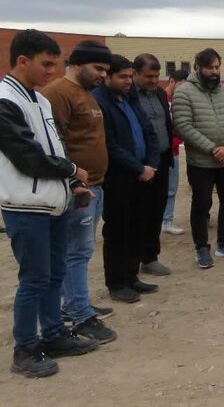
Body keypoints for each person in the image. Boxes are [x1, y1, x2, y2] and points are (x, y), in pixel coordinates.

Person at [1, 30, 100, 377]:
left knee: (55, 273)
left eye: (55, 64)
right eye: (46, 64)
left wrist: (73, 183)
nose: (52, 71)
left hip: (55, 203)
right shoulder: (4, 100)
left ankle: (54, 333)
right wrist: (73, 169)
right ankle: (25, 349)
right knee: (34, 278)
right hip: (25, 206)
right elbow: (27, 156)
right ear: (22, 61)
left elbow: (55, 148)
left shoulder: (40, 101)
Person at [41, 40, 117, 342]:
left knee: (79, 251)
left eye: (105, 70)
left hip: (94, 184)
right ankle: (80, 314)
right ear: (77, 63)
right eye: (98, 68)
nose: (102, 75)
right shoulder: (58, 93)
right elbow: (52, 144)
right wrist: (75, 181)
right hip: (75, 188)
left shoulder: (85, 94)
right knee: (76, 251)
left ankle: (72, 302)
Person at [93, 55, 161, 303]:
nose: (128, 81)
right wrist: (138, 168)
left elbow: (149, 132)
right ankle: (117, 282)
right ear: (108, 77)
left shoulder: (131, 99)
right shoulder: (100, 102)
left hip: (143, 174)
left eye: (130, 76)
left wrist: (152, 163)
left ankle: (132, 276)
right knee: (118, 230)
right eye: (123, 76)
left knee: (136, 227)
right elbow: (110, 144)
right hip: (119, 177)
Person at [173, 48, 224, 268]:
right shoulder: (184, 92)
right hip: (202, 162)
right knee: (201, 204)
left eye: (217, 67)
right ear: (197, 68)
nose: (214, 72)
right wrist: (213, 149)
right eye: (209, 67)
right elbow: (184, 126)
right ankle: (201, 248)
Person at [131, 54, 174, 277]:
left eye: (157, 76)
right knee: (138, 213)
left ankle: (150, 257)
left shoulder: (158, 93)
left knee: (156, 211)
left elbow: (166, 124)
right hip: (139, 165)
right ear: (135, 73)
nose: (154, 80)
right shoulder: (128, 96)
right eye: (149, 76)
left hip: (162, 160)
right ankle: (132, 259)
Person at [162, 69, 189, 235]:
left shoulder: (179, 101)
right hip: (160, 151)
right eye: (180, 84)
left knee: (171, 188)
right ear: (172, 81)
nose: (182, 88)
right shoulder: (161, 98)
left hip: (173, 151)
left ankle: (167, 220)